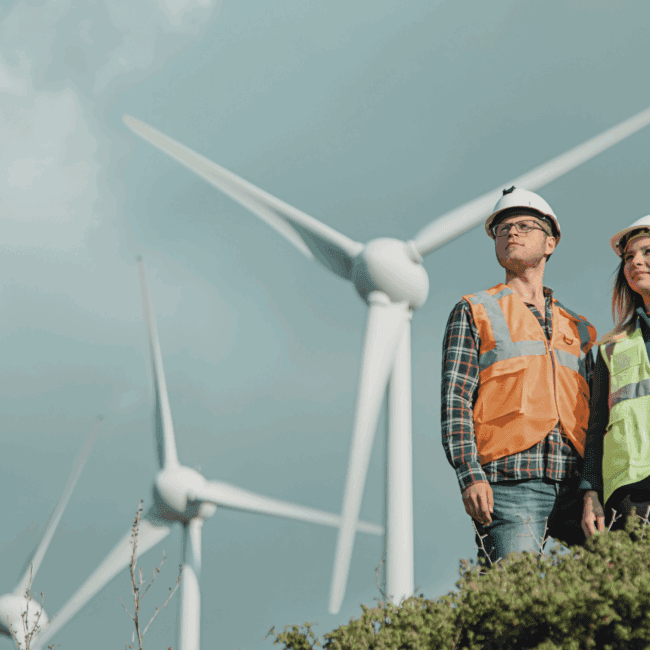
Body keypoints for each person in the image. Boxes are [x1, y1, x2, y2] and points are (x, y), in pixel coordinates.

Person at [441, 186, 597, 565]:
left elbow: (598, 419)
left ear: (550, 243)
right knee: (514, 595)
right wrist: (469, 473)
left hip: (576, 485)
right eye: (502, 228)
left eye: (525, 226)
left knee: (622, 579)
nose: (511, 233)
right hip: (510, 481)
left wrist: (593, 488)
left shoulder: (578, 328)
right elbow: (455, 399)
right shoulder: (474, 310)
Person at [581, 215, 650, 538]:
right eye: (628, 257)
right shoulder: (612, 347)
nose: (636, 261)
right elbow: (596, 428)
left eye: (647, 252)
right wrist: (591, 492)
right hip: (629, 490)